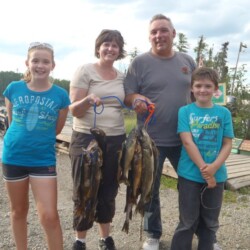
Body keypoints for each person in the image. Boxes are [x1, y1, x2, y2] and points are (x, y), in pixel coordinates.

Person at [124, 14, 196, 250]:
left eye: (163, 30)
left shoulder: (188, 61)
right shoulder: (139, 63)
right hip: (148, 141)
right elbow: (128, 95)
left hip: (185, 139)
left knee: (191, 186)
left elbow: (199, 93)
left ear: (173, 34)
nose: (159, 35)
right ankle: (153, 234)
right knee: (149, 189)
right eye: (154, 32)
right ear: (149, 36)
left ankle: (194, 231)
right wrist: (136, 99)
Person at [2, 42, 70, 250]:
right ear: (27, 63)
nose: (40, 65)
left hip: (43, 160)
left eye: (45, 61)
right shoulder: (14, 88)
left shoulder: (60, 96)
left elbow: (56, 130)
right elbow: (12, 120)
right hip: (13, 157)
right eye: (35, 61)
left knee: (49, 216)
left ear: (53, 65)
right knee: (18, 210)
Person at [69, 29, 126, 250]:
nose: (110, 49)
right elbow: (73, 108)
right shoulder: (85, 70)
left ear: (120, 50)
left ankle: (105, 238)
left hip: (116, 139)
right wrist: (88, 100)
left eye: (115, 45)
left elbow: (128, 99)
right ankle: (80, 239)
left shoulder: (122, 76)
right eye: (106, 44)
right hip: (86, 138)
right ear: (98, 47)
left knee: (109, 188)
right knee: (84, 188)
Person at [170, 67, 234, 250]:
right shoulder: (185, 111)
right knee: (187, 221)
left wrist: (214, 168)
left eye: (208, 86)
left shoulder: (224, 114)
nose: (202, 90)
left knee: (210, 222)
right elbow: (187, 142)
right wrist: (207, 173)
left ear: (216, 89)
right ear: (191, 88)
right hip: (189, 175)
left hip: (217, 176)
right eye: (198, 85)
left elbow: (227, 143)